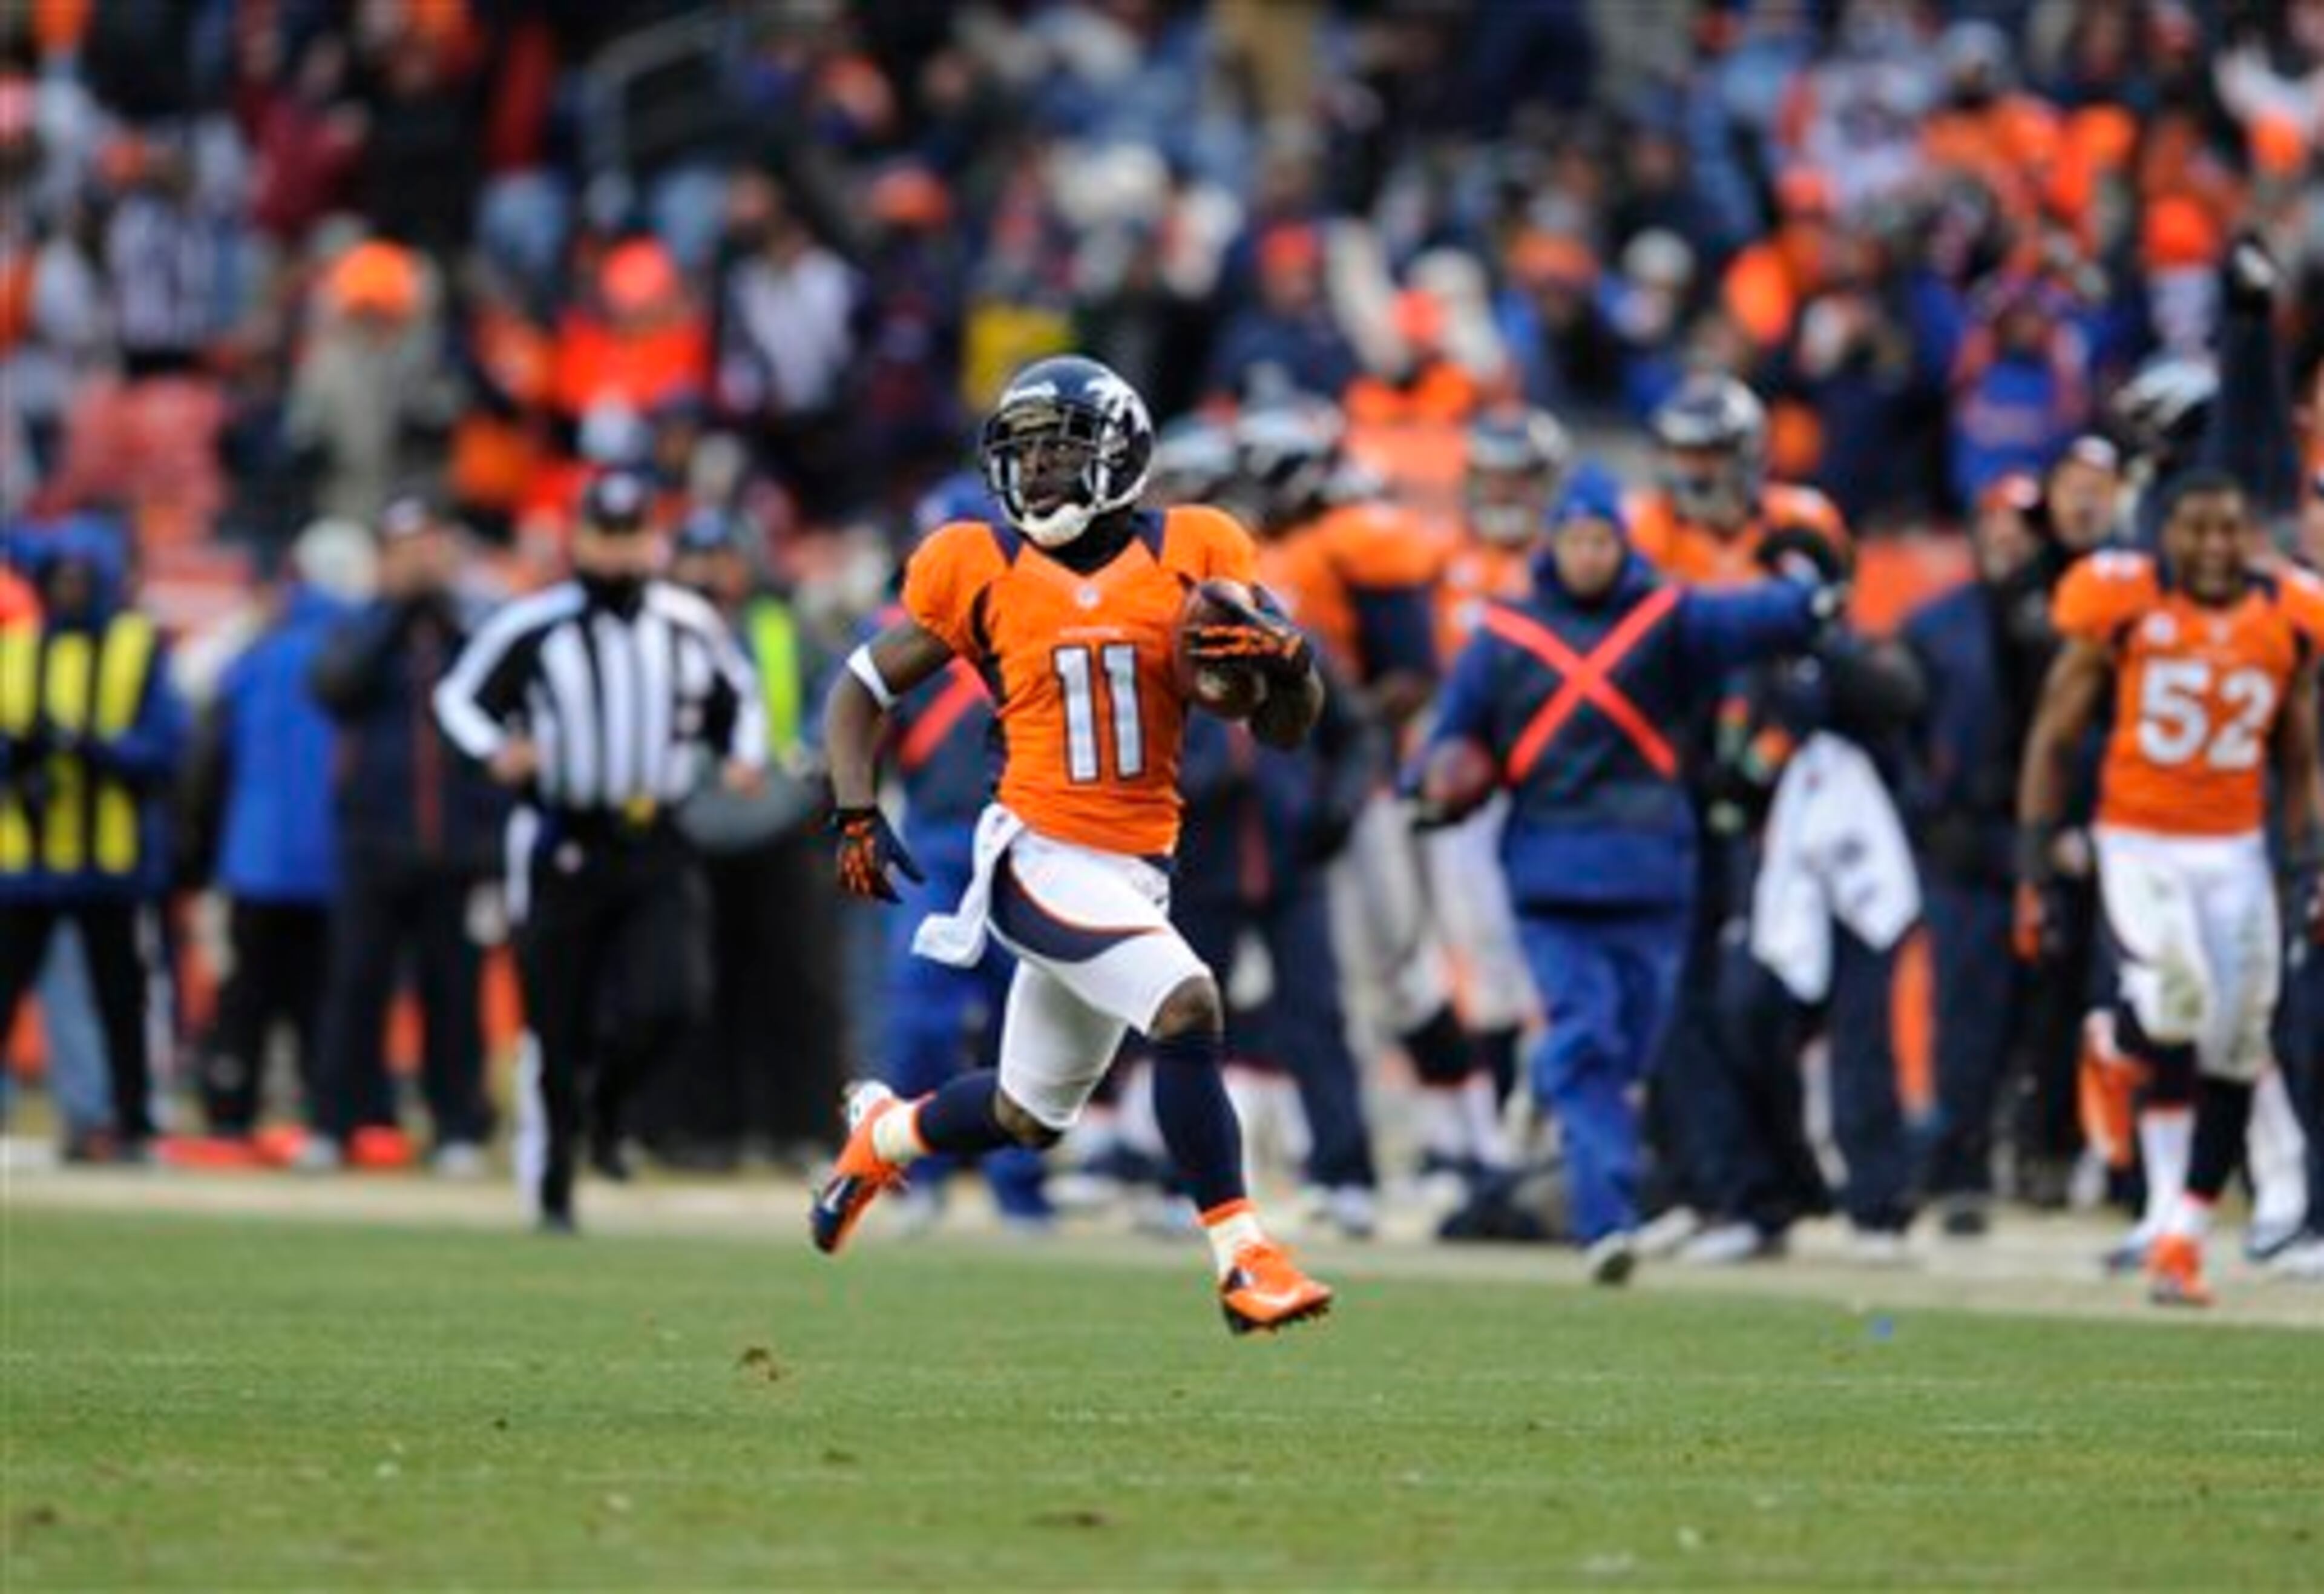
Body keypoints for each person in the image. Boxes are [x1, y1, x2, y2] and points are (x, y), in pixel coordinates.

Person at [812, 354, 1337, 1335]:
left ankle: (881, 1133)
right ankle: (1245, 1257)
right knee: (1187, 1004)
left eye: (1062, 451)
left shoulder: (1199, 549)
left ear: (1121, 454)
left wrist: (1291, 665)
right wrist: (853, 808)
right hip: (1036, 855)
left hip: (1139, 869)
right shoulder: (979, 564)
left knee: (1026, 1114)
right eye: (1027, 455)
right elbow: (859, 687)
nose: (1041, 473)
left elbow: (1284, 727)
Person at [1413, 489, 1833, 1283]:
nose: (1590, 555)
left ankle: (1557, 1100)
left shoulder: (1666, 618)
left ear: (1623, 545)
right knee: (1588, 1040)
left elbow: (1755, 618)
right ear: (1555, 545)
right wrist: (1425, 785)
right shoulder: (1506, 633)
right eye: (1577, 539)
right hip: (1552, 872)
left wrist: (1814, 597)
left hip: (1649, 872)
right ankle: (1605, 1217)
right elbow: (1453, 731)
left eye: (1604, 539)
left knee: (1633, 1045)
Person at [2017, 471, 2324, 1306]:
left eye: (2230, 529)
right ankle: (2122, 1039)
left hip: (2232, 849)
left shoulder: (2287, 615)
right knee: (2179, 1003)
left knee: (2238, 1041)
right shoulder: (2122, 602)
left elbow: (2300, 756)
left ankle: (2181, 1234)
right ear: (2166, 534)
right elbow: (2054, 731)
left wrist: (2308, 861)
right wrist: (2036, 853)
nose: (2216, 548)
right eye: (2198, 530)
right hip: (2142, 839)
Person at [433, 469, 765, 1230]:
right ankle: (552, 1185)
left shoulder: (687, 621)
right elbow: (457, 697)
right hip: (563, 837)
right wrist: (495, 749)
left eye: (631, 535)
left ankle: (607, 1107)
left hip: (657, 835)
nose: (618, 553)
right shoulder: (535, 625)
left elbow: (737, 696)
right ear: (580, 539)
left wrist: (742, 753)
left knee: (673, 998)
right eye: (604, 535)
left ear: (653, 538)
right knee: (556, 1017)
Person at [1236, 398, 1508, 1189]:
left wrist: (1333, 733)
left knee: (1397, 969)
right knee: (1310, 979)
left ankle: (1468, 1141)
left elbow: (1412, 673)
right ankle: (1345, 1148)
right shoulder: (1270, 547)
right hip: (1287, 782)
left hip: (1359, 782)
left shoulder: (1362, 536)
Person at [306, 492, 507, 1173]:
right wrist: (397, 612)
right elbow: (334, 687)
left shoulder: (474, 630)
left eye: (430, 547)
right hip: (374, 843)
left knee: (453, 993)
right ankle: (337, 1122)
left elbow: (499, 708)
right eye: (405, 550)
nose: (421, 563)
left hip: (454, 846)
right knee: (356, 988)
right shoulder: (360, 626)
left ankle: (457, 1125)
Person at [644, 506, 842, 1166]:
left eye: (722, 556)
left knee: (796, 984)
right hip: (685, 826)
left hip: (778, 827)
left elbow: (834, 698)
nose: (710, 573)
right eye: (697, 557)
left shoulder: (781, 629)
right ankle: (702, 1130)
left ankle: (802, 1127)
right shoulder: (656, 633)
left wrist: (805, 763)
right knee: (695, 987)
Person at [0, 519, 186, 1159]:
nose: (71, 590)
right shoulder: (18, 645)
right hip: (25, 856)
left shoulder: (137, 645)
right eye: (63, 578)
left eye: (83, 578)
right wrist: (21, 764)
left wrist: (93, 747)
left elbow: (165, 750)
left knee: (121, 999)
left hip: (111, 857)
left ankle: (132, 1122)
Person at [193, 532, 356, 1141]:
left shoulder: (257, 655)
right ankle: (326, 1114)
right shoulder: (359, 652)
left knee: (246, 997)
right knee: (319, 996)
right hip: (334, 862)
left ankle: (230, 1107)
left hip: (254, 857)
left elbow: (208, 757)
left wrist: (202, 848)